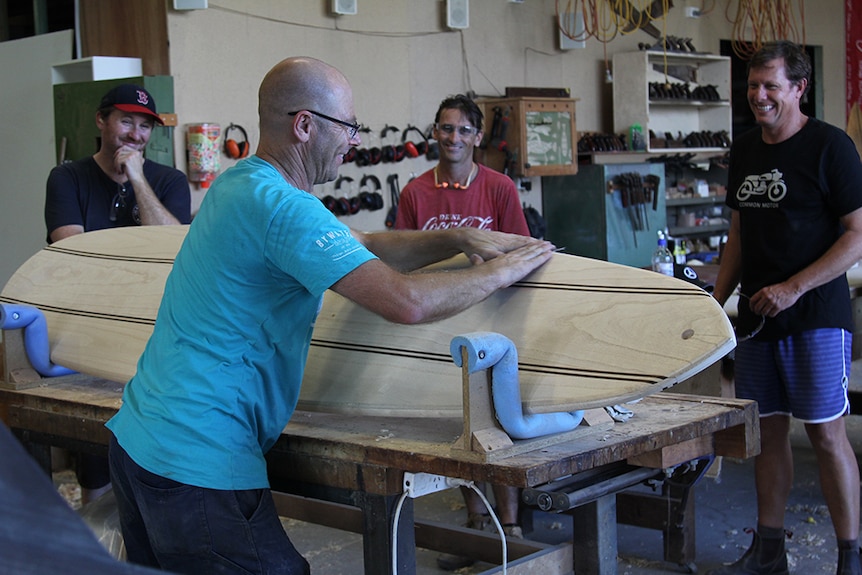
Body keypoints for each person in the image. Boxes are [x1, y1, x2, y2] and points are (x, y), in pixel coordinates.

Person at [105, 56, 554, 575]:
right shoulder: (284, 208)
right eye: (348, 127)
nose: (355, 141)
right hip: (198, 456)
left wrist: (457, 238)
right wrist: (503, 273)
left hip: (139, 438)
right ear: (304, 125)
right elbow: (406, 302)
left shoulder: (239, 183)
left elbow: (361, 243)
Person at [711, 41, 862, 575]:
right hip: (757, 319)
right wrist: (715, 303)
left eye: (771, 86)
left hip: (815, 316)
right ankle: (770, 550)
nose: (760, 96)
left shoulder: (831, 147)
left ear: (799, 88)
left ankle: (850, 557)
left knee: (825, 433)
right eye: (753, 86)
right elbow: (738, 234)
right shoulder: (747, 149)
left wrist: (795, 287)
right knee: (767, 434)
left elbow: (857, 236)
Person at [395, 94, 529, 571]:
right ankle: (478, 523)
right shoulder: (414, 193)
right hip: (441, 324)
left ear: (476, 137)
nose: (453, 138)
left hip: (494, 323)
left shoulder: (498, 188)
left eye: (463, 130)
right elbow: (401, 260)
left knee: (500, 423)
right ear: (435, 132)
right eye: (445, 129)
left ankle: (511, 525)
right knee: (460, 425)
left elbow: (523, 254)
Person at [44, 83, 191, 505]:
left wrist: (138, 179)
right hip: (84, 333)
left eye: (145, 126)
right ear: (101, 121)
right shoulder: (67, 178)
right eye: (126, 121)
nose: (135, 134)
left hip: (152, 334)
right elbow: (73, 253)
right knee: (96, 456)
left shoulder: (168, 181)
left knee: (157, 457)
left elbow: (172, 248)